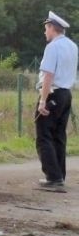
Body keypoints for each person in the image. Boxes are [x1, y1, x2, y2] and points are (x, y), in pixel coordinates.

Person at [35, 11, 78, 188]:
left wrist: (43, 101)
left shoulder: (53, 47)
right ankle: (60, 175)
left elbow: (48, 75)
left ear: (52, 28)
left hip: (53, 93)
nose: (45, 32)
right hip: (66, 94)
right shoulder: (72, 46)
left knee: (43, 135)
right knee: (59, 136)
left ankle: (53, 177)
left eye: (46, 29)